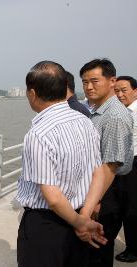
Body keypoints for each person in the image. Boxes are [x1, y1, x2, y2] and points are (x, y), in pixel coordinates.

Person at [16, 60, 107, 267]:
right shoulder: (84, 121)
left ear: (32, 93)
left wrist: (80, 223)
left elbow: (54, 198)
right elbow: (98, 173)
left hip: (48, 226)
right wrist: (83, 217)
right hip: (80, 213)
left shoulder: (39, 134)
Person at [80, 59, 134, 267]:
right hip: (99, 187)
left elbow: (110, 166)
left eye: (94, 81)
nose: (89, 87)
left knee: (97, 250)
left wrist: (93, 203)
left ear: (112, 81)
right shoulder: (97, 110)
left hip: (107, 189)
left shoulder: (115, 115)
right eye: (85, 82)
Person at [113, 76, 137, 263]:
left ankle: (133, 249)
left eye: (124, 90)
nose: (120, 95)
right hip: (126, 163)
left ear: (135, 91)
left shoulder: (132, 112)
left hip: (133, 164)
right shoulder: (123, 111)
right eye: (117, 91)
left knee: (131, 208)